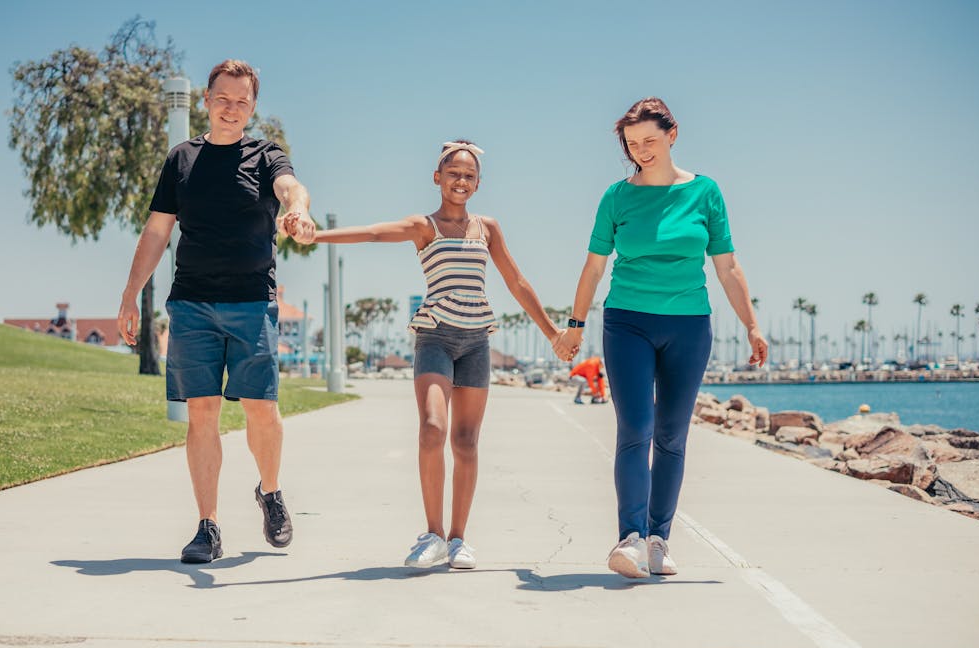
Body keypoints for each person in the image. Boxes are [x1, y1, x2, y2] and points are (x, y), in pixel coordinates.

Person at [313, 141, 560, 570]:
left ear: (478, 183)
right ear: (437, 178)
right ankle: (432, 534)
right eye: (453, 173)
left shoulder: (488, 228)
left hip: (476, 341)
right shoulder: (423, 226)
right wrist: (316, 234)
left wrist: (553, 332)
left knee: (465, 442)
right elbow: (372, 232)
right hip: (435, 336)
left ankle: (459, 540)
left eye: (468, 175)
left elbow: (517, 282)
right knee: (432, 428)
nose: (460, 181)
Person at [553, 98, 768, 578]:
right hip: (627, 321)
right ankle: (628, 538)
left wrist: (751, 324)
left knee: (672, 436)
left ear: (672, 135)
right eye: (632, 144)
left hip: (689, 326)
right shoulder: (616, 197)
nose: (642, 151)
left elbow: (727, 266)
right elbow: (594, 266)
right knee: (636, 428)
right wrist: (575, 324)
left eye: (650, 140)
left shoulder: (706, 192)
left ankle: (658, 540)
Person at [117, 59, 317, 564]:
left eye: (242, 101)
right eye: (223, 98)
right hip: (192, 304)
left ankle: (269, 492)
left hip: (252, 302)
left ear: (252, 107)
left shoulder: (266, 153)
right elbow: (158, 231)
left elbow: (291, 188)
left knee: (261, 413)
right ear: (207, 100)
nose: (231, 109)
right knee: (201, 415)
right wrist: (129, 295)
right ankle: (208, 526)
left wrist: (299, 209)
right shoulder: (180, 159)